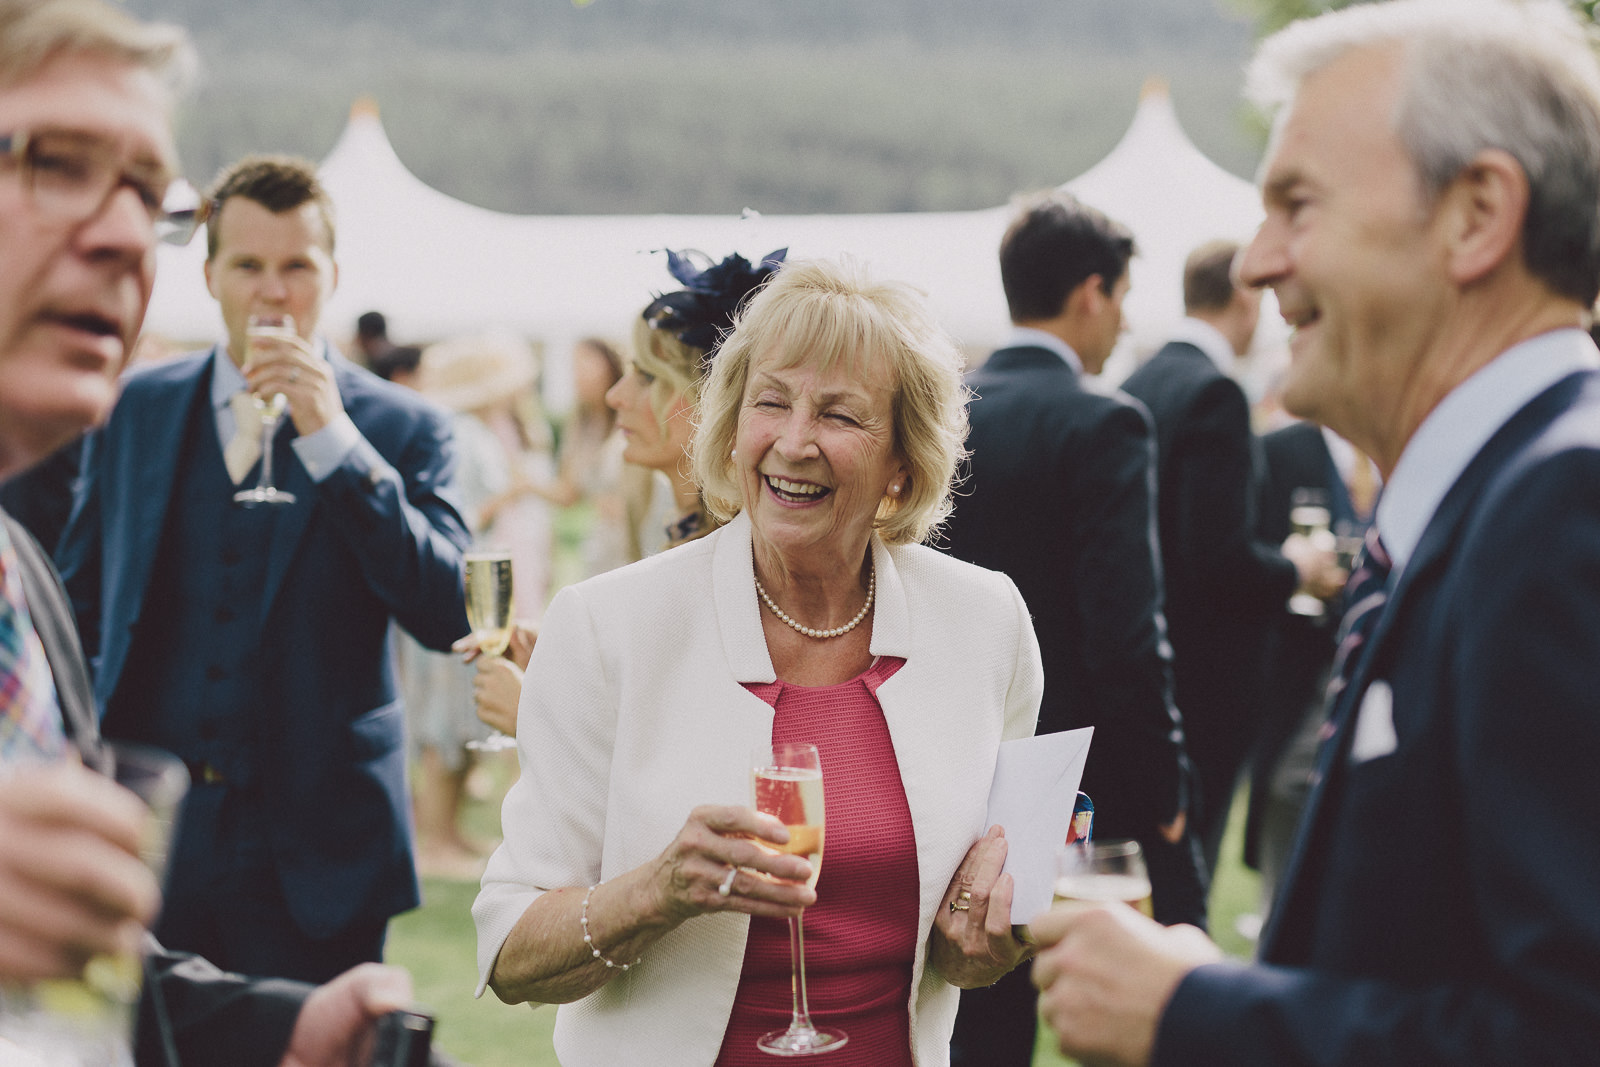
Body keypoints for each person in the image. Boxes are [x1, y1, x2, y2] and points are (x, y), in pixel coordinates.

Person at [1034, 2, 1600, 1064]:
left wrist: (1192, 1007)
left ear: (1476, 215)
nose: (1255, 264)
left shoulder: (1564, 506)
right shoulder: (1489, 503)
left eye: (1296, 205)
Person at [0, 1, 435, 1063]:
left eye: (148, 194)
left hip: (310, 858)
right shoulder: (145, 410)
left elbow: (449, 604)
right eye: (55, 160)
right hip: (174, 840)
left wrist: (280, 1024)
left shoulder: (14, 577)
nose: (115, 231)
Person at [473, 257, 1042, 1066]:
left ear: (903, 463)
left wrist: (985, 941)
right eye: (769, 401)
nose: (794, 440)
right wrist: (659, 889)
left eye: (839, 415)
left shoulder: (987, 622)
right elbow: (508, 953)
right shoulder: (608, 627)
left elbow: (965, 938)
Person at [56, 153, 472, 983]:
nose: (273, 292)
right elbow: (76, 602)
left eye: (296, 267)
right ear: (210, 275)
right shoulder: (136, 406)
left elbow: (450, 610)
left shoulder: (406, 428)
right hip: (153, 833)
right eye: (248, 265)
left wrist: (334, 443)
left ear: (333, 275)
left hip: (323, 847)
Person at [939, 190, 1204, 1067]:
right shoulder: (1105, 419)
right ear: (1093, 292)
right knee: (1156, 1005)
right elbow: (1128, 634)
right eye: (1122, 300)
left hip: (949, 758)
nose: (1120, 324)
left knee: (974, 1014)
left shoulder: (946, 408)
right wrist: (1166, 795)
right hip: (1084, 779)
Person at [1119, 238, 1341, 881]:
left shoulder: (1139, 380)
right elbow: (1219, 559)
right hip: (1208, 680)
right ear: (1242, 297)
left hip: (1146, 664)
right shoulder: (1216, 392)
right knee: (1191, 866)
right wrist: (1298, 566)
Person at [1243, 422, 1377, 917]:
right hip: (1297, 666)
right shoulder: (1281, 448)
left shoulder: (1401, 442)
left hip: (1374, 666)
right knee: (1286, 791)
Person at [606, 248, 787, 552]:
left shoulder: (745, 551)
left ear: (716, 399)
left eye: (648, 377)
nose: (615, 396)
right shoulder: (675, 525)